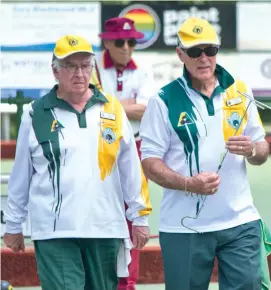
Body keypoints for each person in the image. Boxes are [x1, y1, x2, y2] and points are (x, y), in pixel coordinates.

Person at [3, 35, 152, 290]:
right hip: (55, 232)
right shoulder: (34, 113)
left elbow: (131, 170)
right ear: (55, 71)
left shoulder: (112, 110)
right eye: (70, 66)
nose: (79, 73)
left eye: (85, 66)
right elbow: (21, 176)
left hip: (105, 228)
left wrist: (139, 217)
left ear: (93, 70)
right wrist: (14, 224)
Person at [140, 17, 270, 290]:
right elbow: (150, 162)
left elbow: (261, 151)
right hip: (184, 227)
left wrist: (252, 149)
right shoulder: (162, 100)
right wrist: (188, 183)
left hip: (240, 221)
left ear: (217, 51)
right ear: (180, 54)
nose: (203, 58)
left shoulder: (240, 92)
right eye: (194, 51)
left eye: (209, 50)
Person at [91, 17, 155, 290]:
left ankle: (127, 283)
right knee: (95, 211)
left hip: (135, 147)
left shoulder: (144, 70)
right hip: (95, 148)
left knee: (134, 214)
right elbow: (88, 102)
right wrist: (125, 105)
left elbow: (144, 109)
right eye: (120, 41)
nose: (127, 47)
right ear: (106, 41)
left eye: (132, 41)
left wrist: (108, 102)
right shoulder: (90, 64)